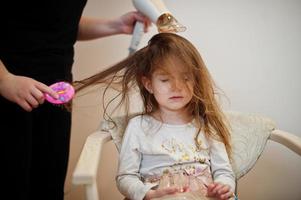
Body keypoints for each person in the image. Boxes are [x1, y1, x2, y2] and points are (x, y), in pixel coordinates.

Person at [0, 0, 150, 199]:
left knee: (47, 184)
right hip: (9, 89)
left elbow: (54, 23)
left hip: (55, 95)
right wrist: (4, 80)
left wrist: (114, 25)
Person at [75, 33, 236, 200]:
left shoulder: (206, 125)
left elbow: (223, 171)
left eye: (186, 78)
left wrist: (223, 187)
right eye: (165, 80)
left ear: (195, 80)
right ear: (149, 85)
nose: (177, 87)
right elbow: (126, 177)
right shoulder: (139, 126)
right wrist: (147, 194)